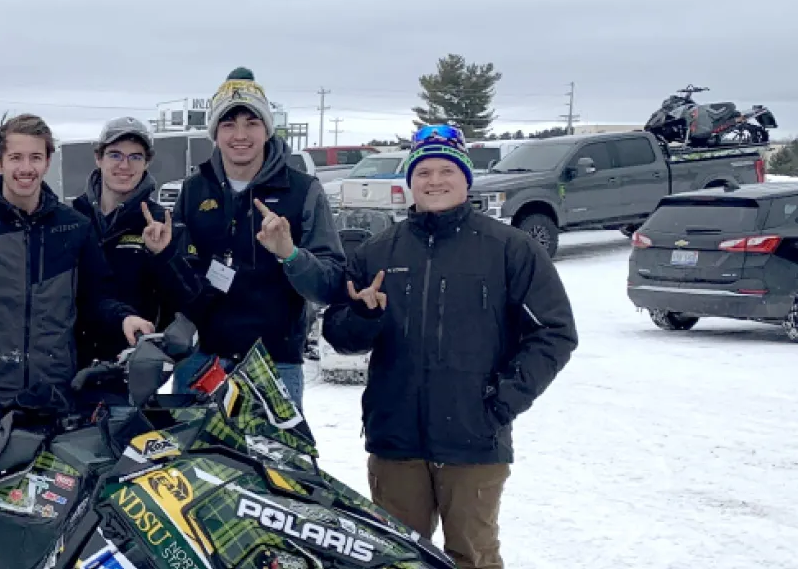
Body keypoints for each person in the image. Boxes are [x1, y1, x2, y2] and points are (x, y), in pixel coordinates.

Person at [322, 125, 577, 569]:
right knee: (396, 559)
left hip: (474, 440)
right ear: (410, 181)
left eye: (446, 171)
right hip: (396, 439)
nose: (434, 181)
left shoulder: (508, 248)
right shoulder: (378, 251)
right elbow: (339, 335)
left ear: (466, 178)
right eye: (423, 172)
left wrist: (502, 401)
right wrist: (363, 315)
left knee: (472, 557)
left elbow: (554, 332)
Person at [0, 114, 154, 417]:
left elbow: (97, 297)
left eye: (35, 157)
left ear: (47, 162)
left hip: (53, 398)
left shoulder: (72, 226)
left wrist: (124, 318)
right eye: (15, 157)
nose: (26, 168)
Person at [171, 68, 347, 409]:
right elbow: (179, 278)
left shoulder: (303, 191)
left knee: (270, 449)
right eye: (228, 124)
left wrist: (290, 255)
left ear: (267, 129)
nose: (240, 135)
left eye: (251, 123)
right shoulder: (193, 191)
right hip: (201, 364)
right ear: (215, 133)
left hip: (274, 366)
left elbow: (329, 285)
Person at [70, 116, 200, 370]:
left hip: (138, 368)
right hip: (75, 366)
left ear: (147, 162)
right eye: (115, 155)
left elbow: (190, 301)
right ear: (98, 158)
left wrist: (165, 255)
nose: (125, 165)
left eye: (135, 157)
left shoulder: (163, 223)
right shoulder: (73, 219)